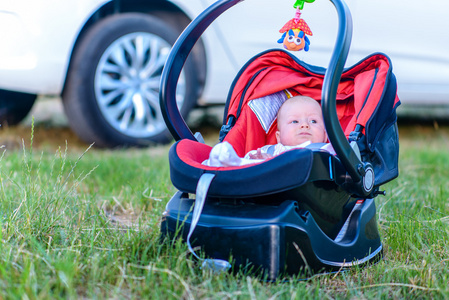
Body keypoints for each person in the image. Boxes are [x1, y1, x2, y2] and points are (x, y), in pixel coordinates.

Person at [203, 95, 333, 167]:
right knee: (249, 163)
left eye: (313, 121)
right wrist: (260, 159)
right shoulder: (270, 150)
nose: (304, 125)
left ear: (325, 135)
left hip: (307, 185)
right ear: (279, 136)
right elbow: (250, 157)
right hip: (269, 182)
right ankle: (220, 163)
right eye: (295, 121)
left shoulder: (327, 150)